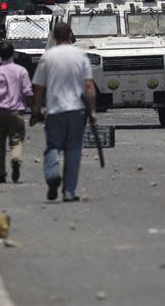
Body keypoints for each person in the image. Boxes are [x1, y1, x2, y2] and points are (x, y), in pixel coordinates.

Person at [31, 22, 96, 202]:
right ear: (70, 34)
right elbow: (89, 86)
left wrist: (37, 109)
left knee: (53, 146)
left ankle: (52, 175)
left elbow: (39, 87)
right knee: (73, 151)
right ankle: (69, 192)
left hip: (55, 110)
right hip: (77, 111)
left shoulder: (47, 57)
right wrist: (92, 112)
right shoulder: (80, 56)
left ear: (53, 36)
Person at [0, 42, 33, 184]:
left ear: (0, 56)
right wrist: (35, 111)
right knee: (16, 140)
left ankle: (1, 174)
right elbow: (28, 93)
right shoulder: (21, 71)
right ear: (13, 54)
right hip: (16, 112)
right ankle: (16, 159)